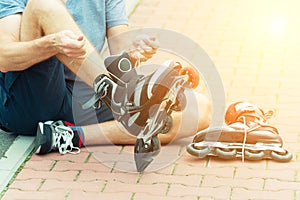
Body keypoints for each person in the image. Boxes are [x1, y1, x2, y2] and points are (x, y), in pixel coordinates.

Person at [0, 0, 211, 156]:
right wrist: (52, 44)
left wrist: (134, 50)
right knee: (43, 5)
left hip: (81, 94)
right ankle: (123, 99)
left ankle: (69, 136)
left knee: (199, 109)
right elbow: (4, 58)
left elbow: (120, 51)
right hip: (29, 101)